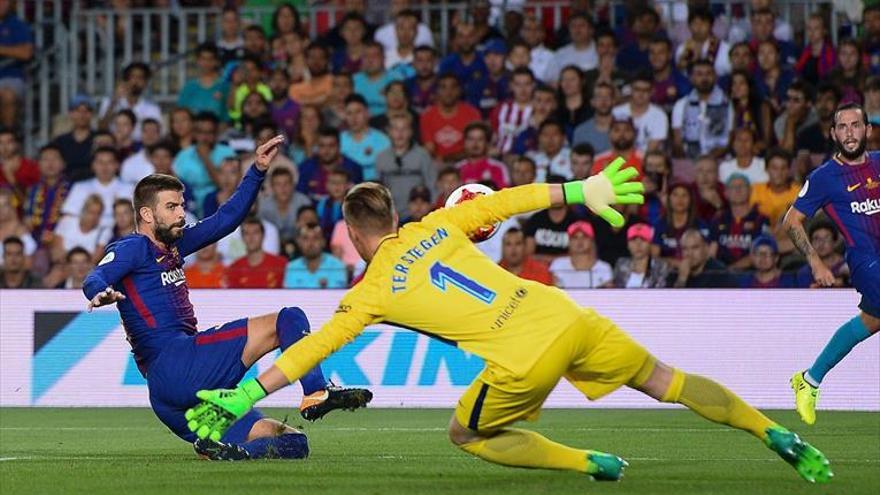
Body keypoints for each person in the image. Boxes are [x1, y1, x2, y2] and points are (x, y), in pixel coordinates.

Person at [185, 160, 831, 484]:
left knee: (465, 433)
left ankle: (592, 464)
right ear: (394, 213)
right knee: (669, 377)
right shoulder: (438, 222)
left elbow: (309, 350)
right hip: (564, 312)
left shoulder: (369, 290)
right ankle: (772, 431)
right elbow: (510, 200)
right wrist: (581, 190)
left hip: (524, 357)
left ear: (353, 233)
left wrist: (243, 393)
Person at [82, 136, 371, 460]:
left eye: (181, 204)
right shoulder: (133, 247)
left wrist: (258, 170)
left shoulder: (174, 245)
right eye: (172, 207)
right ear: (147, 215)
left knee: (292, 443)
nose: (181, 213)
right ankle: (317, 391)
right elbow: (95, 276)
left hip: (173, 396)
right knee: (288, 319)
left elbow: (227, 219)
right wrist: (99, 292)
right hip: (175, 362)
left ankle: (234, 454)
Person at [785, 103, 880, 426]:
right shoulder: (824, 177)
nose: (850, 133)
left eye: (856, 125)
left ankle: (809, 380)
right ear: (833, 133)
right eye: (843, 127)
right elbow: (792, 221)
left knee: (871, 320)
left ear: (868, 130)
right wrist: (815, 263)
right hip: (866, 261)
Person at [172, 112, 236, 216]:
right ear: (194, 134)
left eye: (209, 132)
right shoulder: (183, 156)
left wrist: (205, 158)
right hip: (188, 207)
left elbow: (224, 185)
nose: (205, 137)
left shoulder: (227, 153)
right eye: (200, 133)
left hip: (218, 206)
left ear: (216, 134)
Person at [375, 114, 435, 216]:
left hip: (418, 216)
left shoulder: (422, 155)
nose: (400, 133)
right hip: (391, 215)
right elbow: (379, 190)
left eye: (404, 129)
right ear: (389, 131)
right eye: (395, 129)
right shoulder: (381, 158)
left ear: (411, 132)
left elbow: (432, 185)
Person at [671, 60, 731, 160]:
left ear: (715, 77)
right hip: (689, 160)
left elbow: (728, 140)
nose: (704, 78)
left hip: (718, 160)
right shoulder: (681, 105)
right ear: (691, 78)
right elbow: (678, 141)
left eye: (708, 73)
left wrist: (707, 160)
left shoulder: (726, 104)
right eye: (699, 74)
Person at [62, 147, 134, 228]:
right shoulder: (80, 187)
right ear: (93, 165)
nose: (105, 166)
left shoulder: (129, 188)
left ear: (117, 165)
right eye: (100, 162)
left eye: (109, 162)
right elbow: (69, 217)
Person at [420, 74, 482, 162]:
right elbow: (429, 148)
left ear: (459, 90)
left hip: (466, 162)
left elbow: (475, 147)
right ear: (437, 91)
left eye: (453, 87)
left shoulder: (472, 114)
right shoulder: (427, 116)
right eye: (443, 87)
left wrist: (448, 159)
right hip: (437, 164)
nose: (448, 92)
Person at [98, 62, 162, 141]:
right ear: (125, 80)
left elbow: (156, 135)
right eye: (132, 77)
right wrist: (114, 102)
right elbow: (101, 128)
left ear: (145, 83)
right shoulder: (110, 101)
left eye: (140, 78)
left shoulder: (152, 107)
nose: (136, 81)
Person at [226, 217, 288, 289]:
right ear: (242, 237)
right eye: (246, 233)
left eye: (255, 233)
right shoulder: (234, 268)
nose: (251, 237)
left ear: (263, 235)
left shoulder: (281, 264)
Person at [340, 94, 390, 181]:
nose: (353, 118)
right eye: (349, 113)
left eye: (358, 112)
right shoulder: (339, 140)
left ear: (367, 113)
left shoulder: (382, 140)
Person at [0, 0, 33, 130]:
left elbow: (26, 53)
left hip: (10, 77)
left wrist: (1, 49)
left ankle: (8, 136)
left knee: (7, 96)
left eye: (4, 1)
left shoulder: (17, 25)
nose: (1, 4)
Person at [549, 221, 612, 289]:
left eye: (585, 237)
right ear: (569, 241)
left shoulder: (604, 268)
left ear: (591, 241)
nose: (580, 241)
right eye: (575, 237)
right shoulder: (558, 265)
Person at [283, 222, 347, 289]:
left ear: (323, 242)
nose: (311, 243)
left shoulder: (337, 266)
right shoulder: (291, 267)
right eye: (305, 238)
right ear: (299, 242)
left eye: (316, 238)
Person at [670, 229, 739, 288]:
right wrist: (681, 279)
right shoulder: (675, 274)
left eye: (695, 247)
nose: (689, 254)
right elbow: (669, 302)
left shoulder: (720, 274)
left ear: (706, 248)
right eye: (685, 249)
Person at [259, 167, 312, 242]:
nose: (283, 188)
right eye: (278, 184)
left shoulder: (303, 202)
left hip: (300, 243)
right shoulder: (264, 205)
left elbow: (310, 229)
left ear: (293, 185)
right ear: (272, 187)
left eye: (286, 183)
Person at [542, 13, 597, 84]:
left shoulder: (600, 51)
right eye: (573, 26)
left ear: (591, 30)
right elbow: (550, 80)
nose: (577, 30)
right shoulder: (560, 54)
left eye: (582, 26)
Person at [178, 42, 229, 120]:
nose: (206, 63)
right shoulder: (189, 87)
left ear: (216, 61)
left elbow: (227, 115)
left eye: (210, 59)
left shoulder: (225, 86)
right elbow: (180, 114)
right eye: (203, 59)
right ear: (197, 61)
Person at [611, 223, 670, 288]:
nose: (638, 245)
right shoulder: (621, 265)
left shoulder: (660, 267)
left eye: (643, 240)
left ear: (650, 244)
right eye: (633, 240)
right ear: (628, 245)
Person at [51, 96, 96, 181]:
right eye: (78, 111)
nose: (82, 115)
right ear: (71, 114)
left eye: (86, 111)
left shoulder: (98, 139)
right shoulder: (61, 141)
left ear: (91, 114)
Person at [794, 221, 848, 288]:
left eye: (826, 238)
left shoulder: (849, 266)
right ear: (810, 243)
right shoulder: (804, 272)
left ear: (835, 242)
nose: (821, 243)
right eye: (816, 239)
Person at [456, 123, 509, 189]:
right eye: (471, 139)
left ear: (487, 143)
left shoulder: (498, 168)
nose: (475, 143)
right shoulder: (458, 168)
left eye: (480, 139)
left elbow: (504, 195)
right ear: (465, 143)